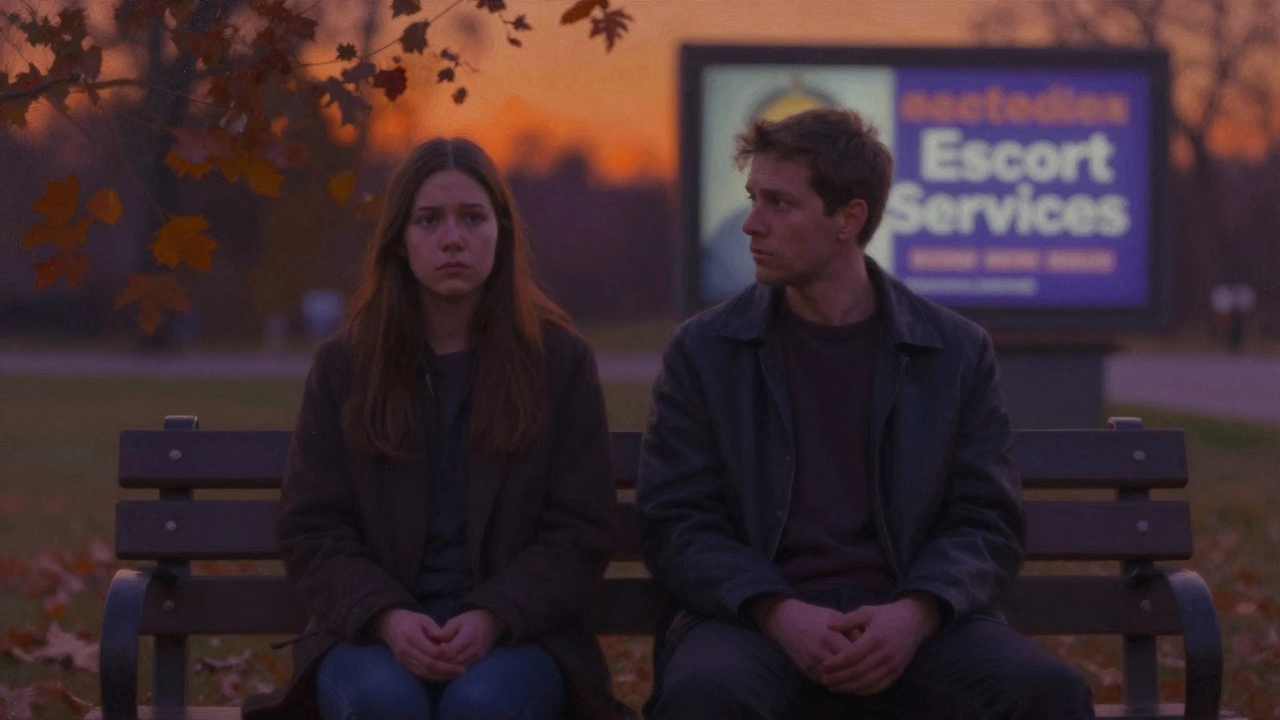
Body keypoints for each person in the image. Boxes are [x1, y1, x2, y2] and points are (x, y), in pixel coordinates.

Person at [635, 108, 1095, 720]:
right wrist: (777, 611)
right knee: (704, 697)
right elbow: (677, 522)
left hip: (914, 621)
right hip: (755, 622)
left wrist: (916, 613)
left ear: (849, 219)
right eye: (752, 199)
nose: (750, 224)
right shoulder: (706, 351)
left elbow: (987, 518)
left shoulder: (954, 351)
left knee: (1048, 693)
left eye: (779, 203)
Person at [242, 138, 635, 720]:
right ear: (400, 239)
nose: (453, 238)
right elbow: (313, 528)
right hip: (371, 634)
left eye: (472, 218)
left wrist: (494, 615)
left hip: (520, 636)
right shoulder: (347, 366)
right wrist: (388, 618)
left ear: (501, 233)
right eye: (429, 220)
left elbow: (580, 529)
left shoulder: (557, 363)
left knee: (481, 705)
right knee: (384, 703)